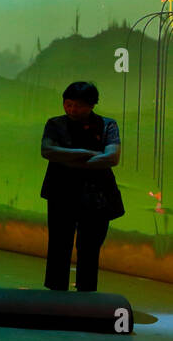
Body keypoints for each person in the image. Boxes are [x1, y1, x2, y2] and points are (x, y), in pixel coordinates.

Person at [39, 81, 123, 292]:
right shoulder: (55, 124)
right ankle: (56, 292)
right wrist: (88, 154)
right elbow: (47, 151)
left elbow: (112, 157)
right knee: (59, 244)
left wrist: (67, 161)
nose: (71, 110)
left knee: (89, 248)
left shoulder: (107, 125)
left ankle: (86, 294)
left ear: (92, 105)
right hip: (61, 192)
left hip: (96, 195)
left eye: (78, 105)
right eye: (68, 104)